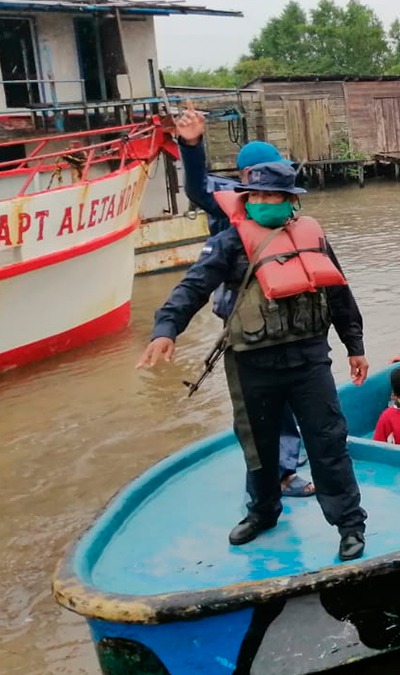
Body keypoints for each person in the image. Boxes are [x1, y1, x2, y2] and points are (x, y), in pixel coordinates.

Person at [136, 161, 368, 561]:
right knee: (257, 446)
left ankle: (349, 524)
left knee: (328, 442)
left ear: (290, 201)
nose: (260, 202)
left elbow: (339, 293)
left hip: (308, 360)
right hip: (251, 364)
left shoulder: (312, 236)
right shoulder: (230, 242)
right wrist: (166, 329)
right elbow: (194, 285)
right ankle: (262, 512)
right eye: (253, 196)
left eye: (269, 196)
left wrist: (355, 345)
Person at [172, 101, 314, 500]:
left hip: (283, 308)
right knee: (259, 403)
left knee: (289, 392)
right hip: (244, 315)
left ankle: (286, 458)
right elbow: (196, 185)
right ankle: (280, 475)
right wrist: (192, 143)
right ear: (248, 177)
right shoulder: (225, 195)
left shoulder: (281, 203)